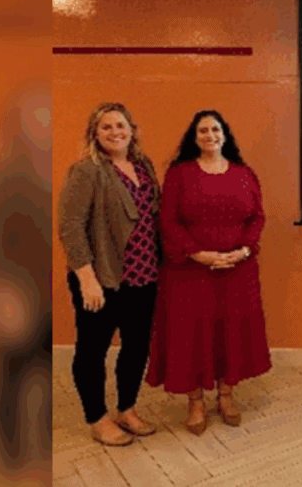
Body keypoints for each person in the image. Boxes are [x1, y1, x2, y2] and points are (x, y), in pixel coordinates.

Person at [145, 110, 271, 435]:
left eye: (215, 129)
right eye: (203, 130)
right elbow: (168, 221)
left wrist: (243, 250)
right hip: (189, 272)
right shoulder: (179, 174)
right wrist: (199, 254)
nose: (210, 135)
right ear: (194, 136)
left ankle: (226, 396)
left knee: (230, 332)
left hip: (237, 272)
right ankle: (196, 401)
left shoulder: (244, 173)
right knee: (191, 335)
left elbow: (257, 217)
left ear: (225, 134)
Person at [57, 102, 162, 446]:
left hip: (144, 276)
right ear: (95, 133)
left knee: (136, 347)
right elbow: (71, 228)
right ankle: (97, 417)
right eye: (106, 127)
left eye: (120, 125)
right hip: (102, 278)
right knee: (93, 350)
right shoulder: (86, 171)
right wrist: (87, 280)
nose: (115, 132)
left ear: (132, 130)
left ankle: (126, 409)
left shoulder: (143, 166)